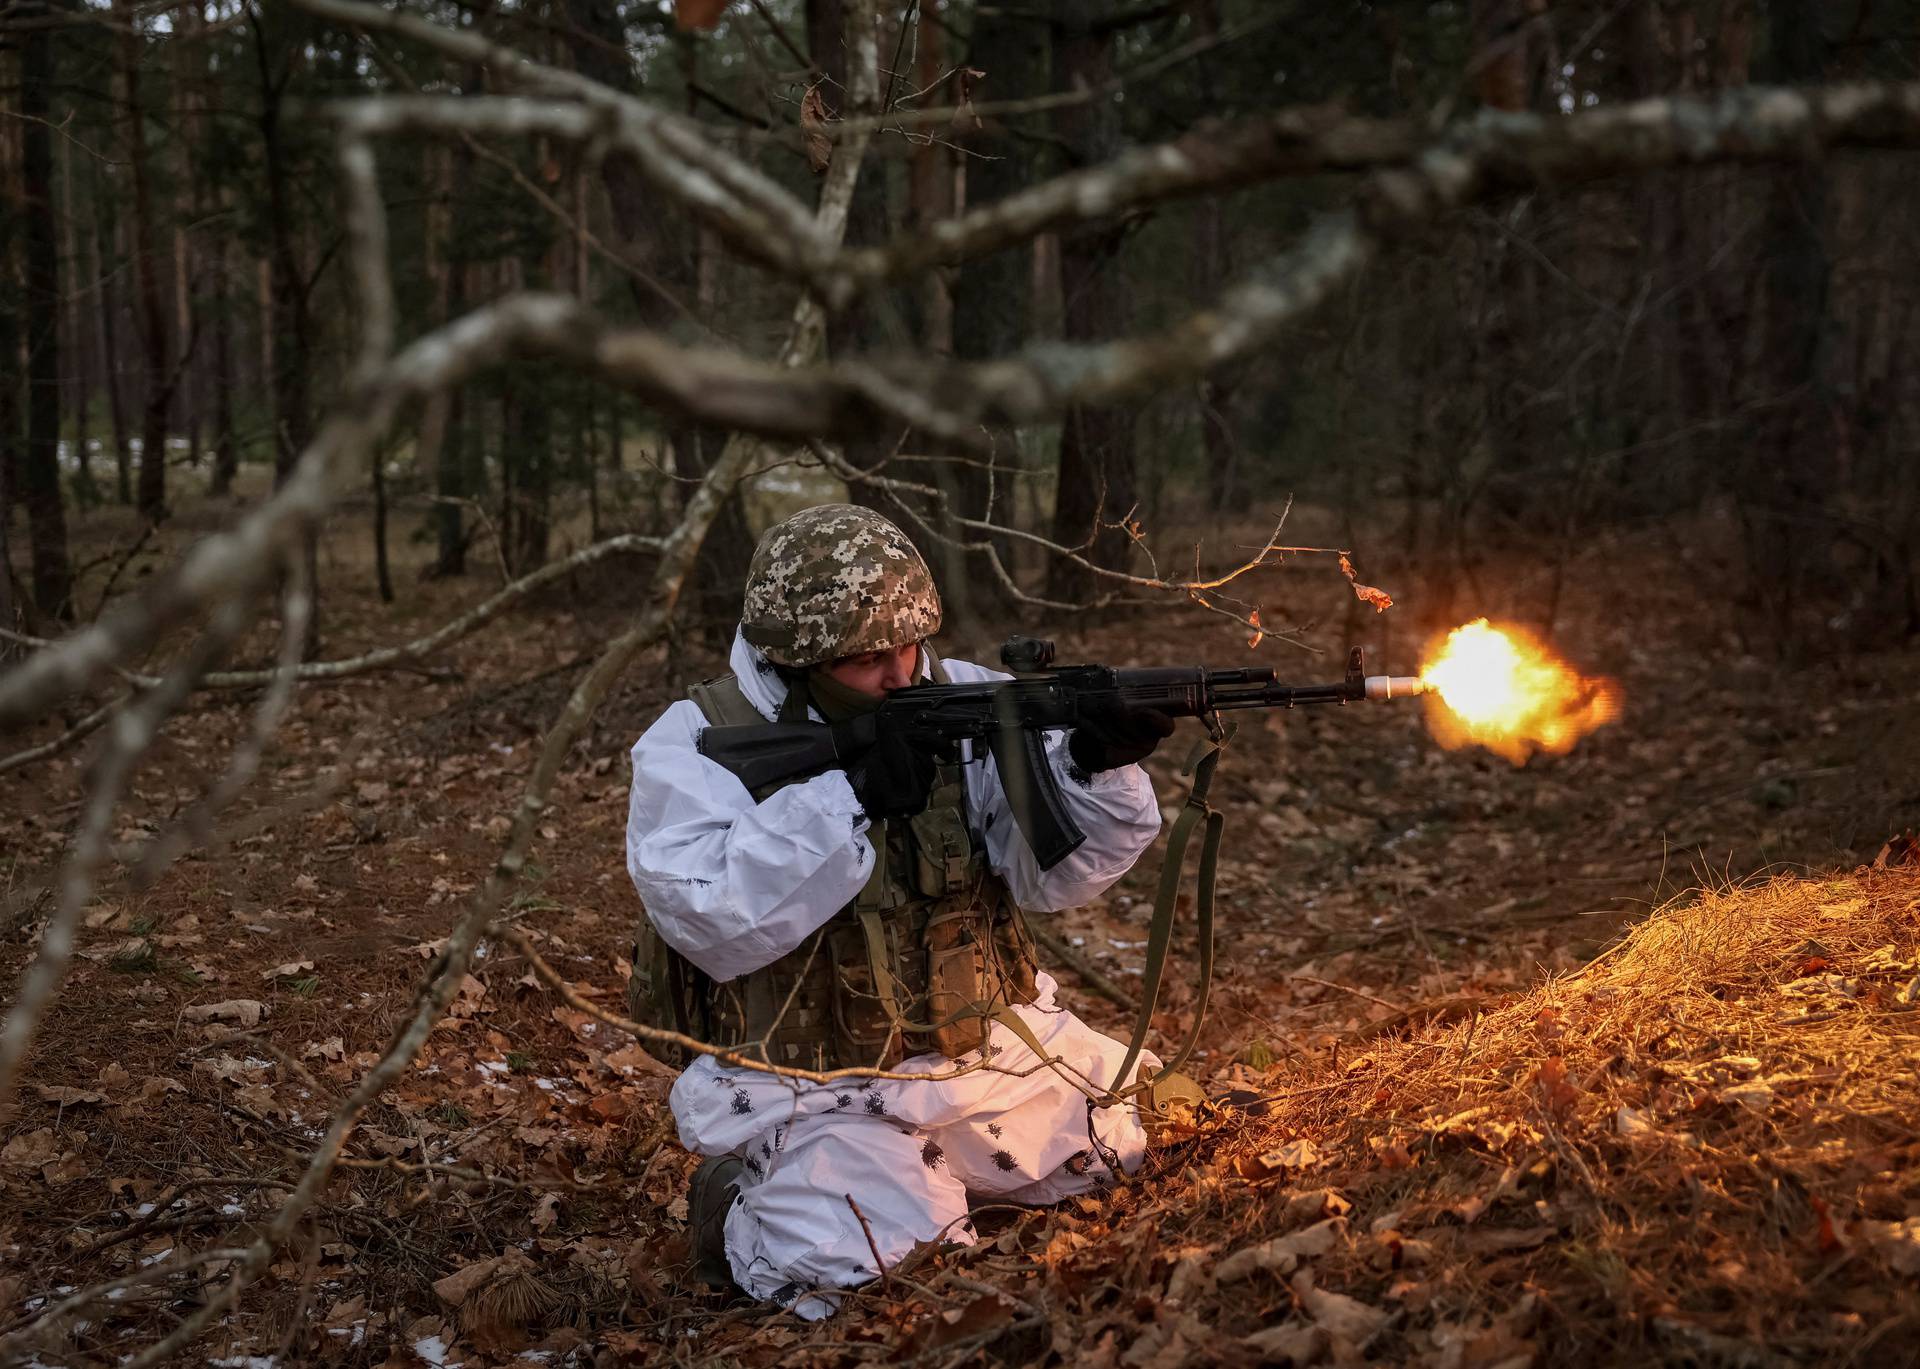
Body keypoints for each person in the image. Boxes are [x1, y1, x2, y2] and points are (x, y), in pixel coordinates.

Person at [623, 504, 1175, 1317]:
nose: (900, 672)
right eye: (867, 659)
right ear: (800, 657)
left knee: (1141, 1146)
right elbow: (708, 914)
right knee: (879, 1272)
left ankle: (944, 1176)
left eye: (908, 645)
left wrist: (1092, 768)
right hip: (813, 1083)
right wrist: (849, 796)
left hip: (985, 1054)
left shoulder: (958, 696)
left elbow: (1050, 879)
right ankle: (741, 1198)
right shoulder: (698, 738)